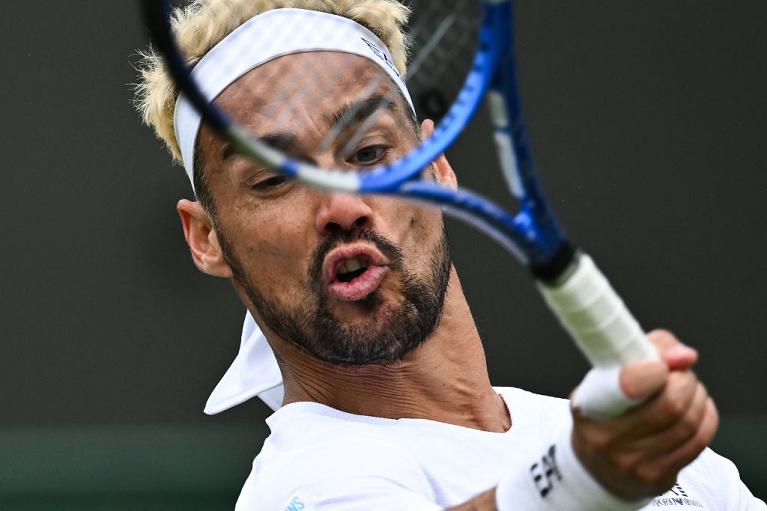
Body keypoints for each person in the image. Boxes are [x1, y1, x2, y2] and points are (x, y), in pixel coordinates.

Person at [135, 1, 765, 509]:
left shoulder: (650, 455)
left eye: (369, 153)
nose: (344, 203)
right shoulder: (300, 486)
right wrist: (577, 478)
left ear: (435, 165)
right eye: (274, 179)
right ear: (206, 238)